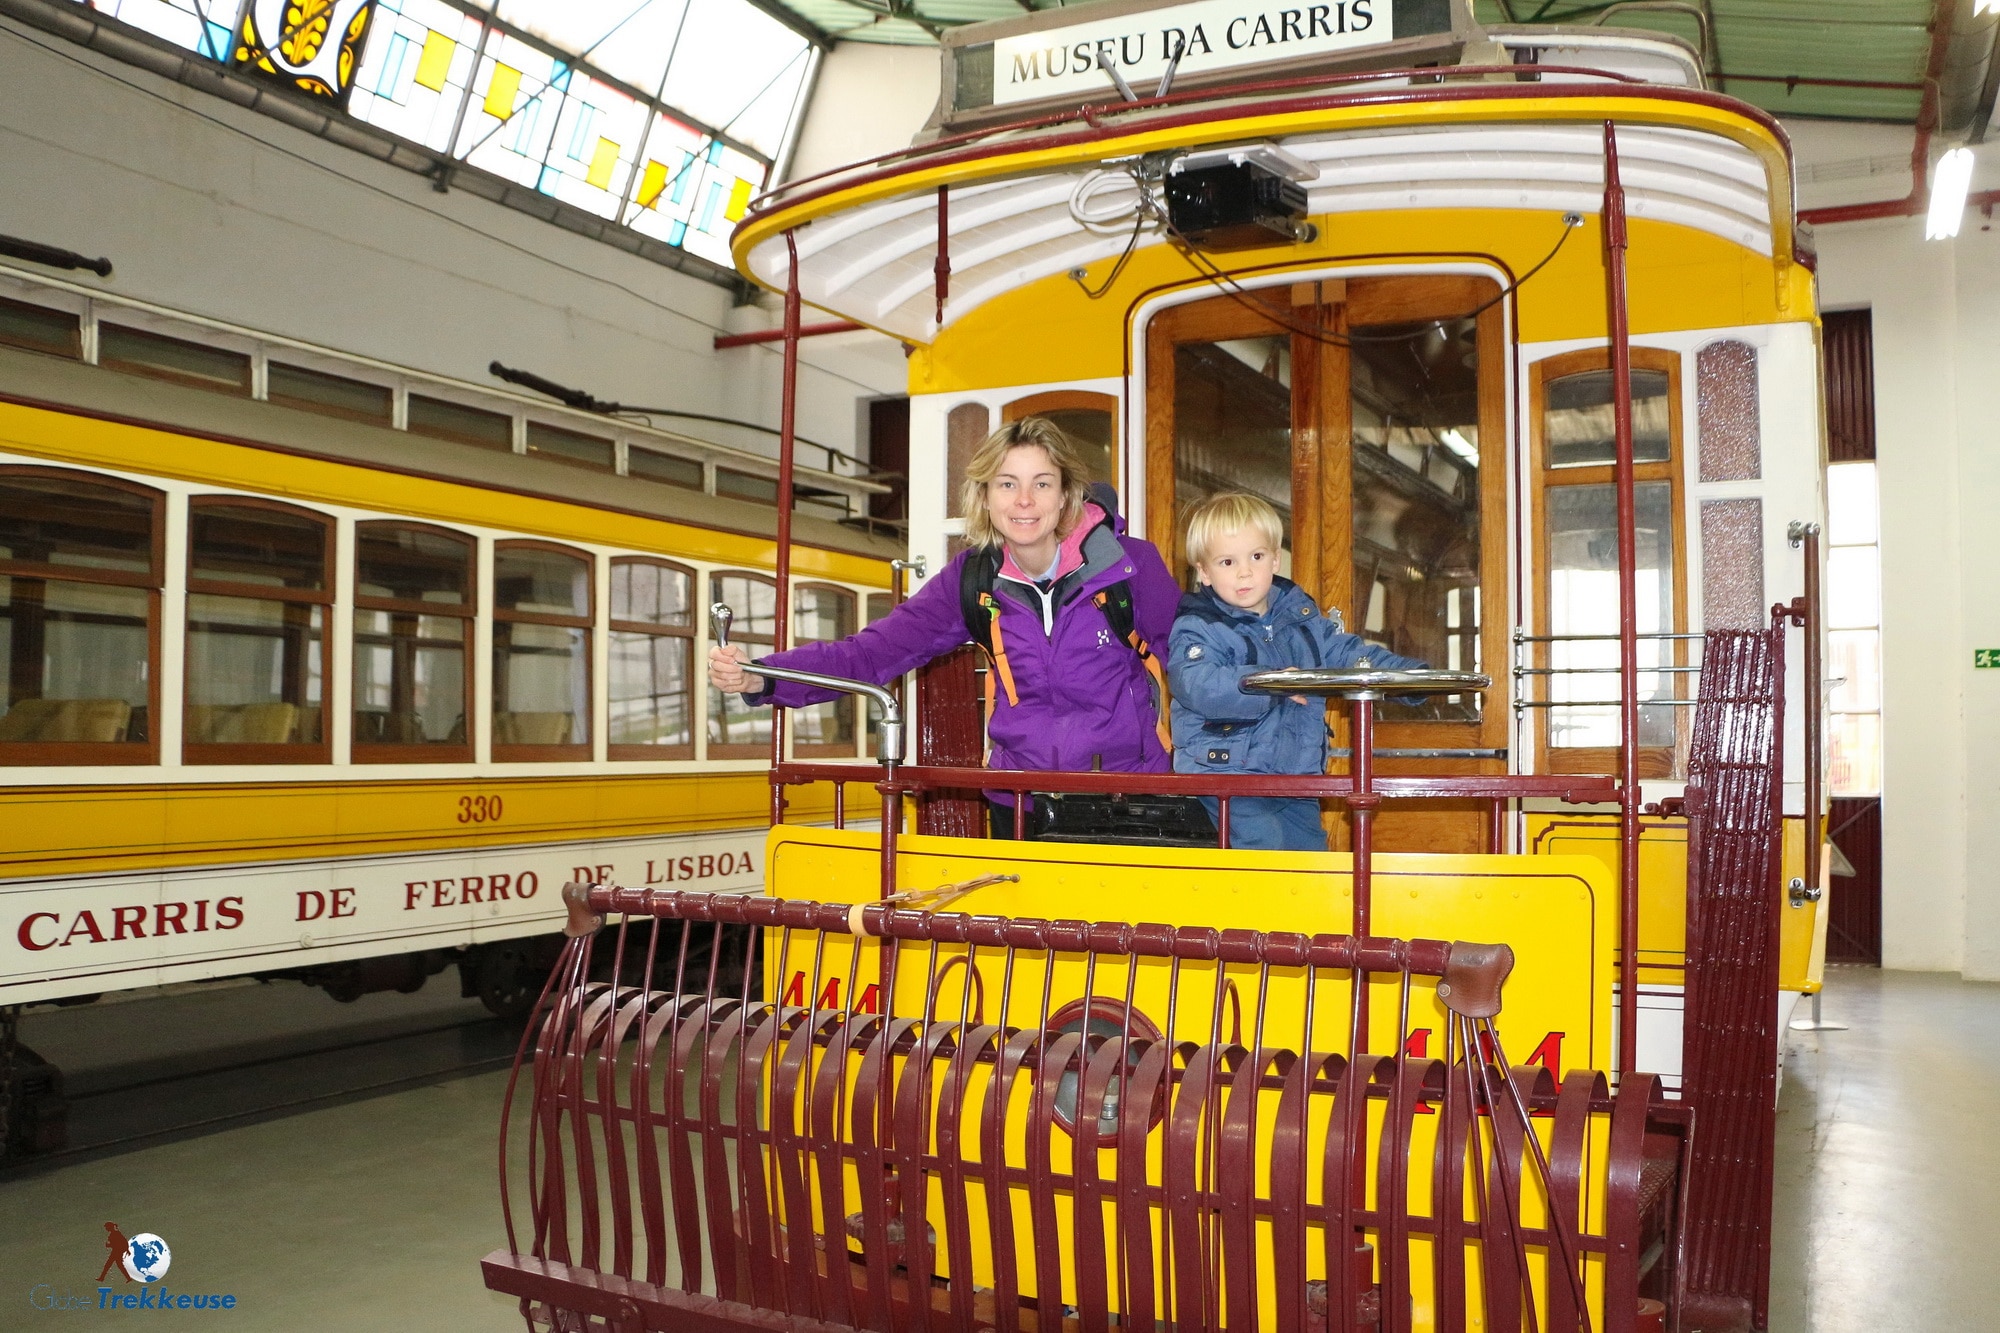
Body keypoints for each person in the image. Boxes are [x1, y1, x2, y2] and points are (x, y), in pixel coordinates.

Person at [707, 417, 1181, 836]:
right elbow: (873, 654)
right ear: (985, 497)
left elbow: (1186, 664)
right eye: (1006, 484)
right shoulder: (971, 579)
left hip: (1128, 801)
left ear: (1065, 496)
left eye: (1042, 484)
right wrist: (764, 676)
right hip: (1019, 805)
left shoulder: (1130, 567)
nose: (1024, 501)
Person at [1167, 491, 1425, 852]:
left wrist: (1411, 678)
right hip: (1229, 775)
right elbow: (1198, 684)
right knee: (1264, 851)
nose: (1244, 571)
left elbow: (1351, 655)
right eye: (1227, 562)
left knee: (1311, 858)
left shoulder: (1301, 621)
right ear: (1204, 573)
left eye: (1256, 556)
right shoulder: (1199, 627)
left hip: (1295, 774)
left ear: (1275, 559)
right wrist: (1272, 684)